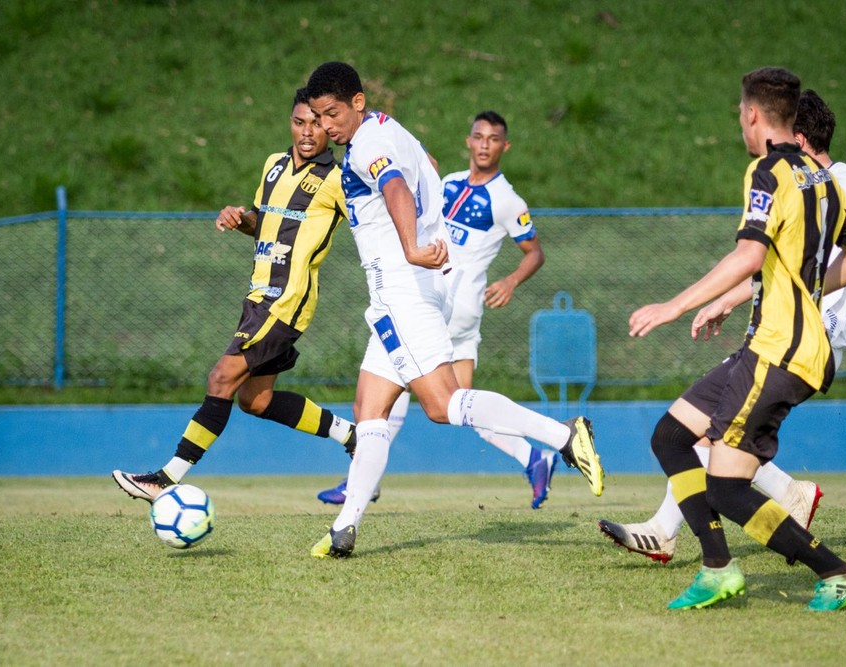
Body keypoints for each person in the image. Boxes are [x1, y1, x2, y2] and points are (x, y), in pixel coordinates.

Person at [598, 89, 846, 563]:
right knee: (698, 433)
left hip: (806, 341)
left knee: (719, 440)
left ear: (796, 134)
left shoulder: (843, 183)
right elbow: (783, 269)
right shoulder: (800, 183)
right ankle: (773, 503)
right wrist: (731, 301)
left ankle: (774, 549)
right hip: (776, 332)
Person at [304, 61, 603, 559]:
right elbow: (431, 169)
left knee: (443, 406)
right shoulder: (390, 128)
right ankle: (344, 528)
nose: (325, 126)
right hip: (413, 290)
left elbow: (396, 186)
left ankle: (564, 437)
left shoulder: (368, 147)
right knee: (370, 408)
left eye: (331, 114)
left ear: (357, 102)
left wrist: (411, 246)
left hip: (404, 290)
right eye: (317, 116)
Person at [623, 67, 846, 611]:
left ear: (754, 115)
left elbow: (749, 255)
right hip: (776, 344)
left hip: (780, 350)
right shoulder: (823, 176)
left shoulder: (766, 171)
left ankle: (837, 571)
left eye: (740, 112)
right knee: (670, 436)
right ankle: (717, 567)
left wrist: (673, 305)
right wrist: (805, 289)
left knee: (727, 487)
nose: (740, 121)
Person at [112, 88, 354, 501]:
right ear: (290, 124)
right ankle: (350, 435)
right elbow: (262, 223)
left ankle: (165, 479)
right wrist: (240, 218)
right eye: (300, 122)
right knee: (255, 401)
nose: (308, 132)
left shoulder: (337, 180)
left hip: (286, 300)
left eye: (317, 123)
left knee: (221, 377)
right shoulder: (274, 166)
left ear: (330, 127)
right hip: (258, 296)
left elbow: (373, 224)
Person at [317, 110, 555, 509]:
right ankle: (535, 457)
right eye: (477, 136)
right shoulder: (448, 183)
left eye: (492, 139)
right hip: (438, 293)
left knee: (403, 390)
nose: (483, 145)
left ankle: (361, 480)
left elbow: (535, 252)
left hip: (451, 303)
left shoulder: (508, 200)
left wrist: (510, 280)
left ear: (504, 146)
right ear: (468, 140)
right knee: (455, 402)